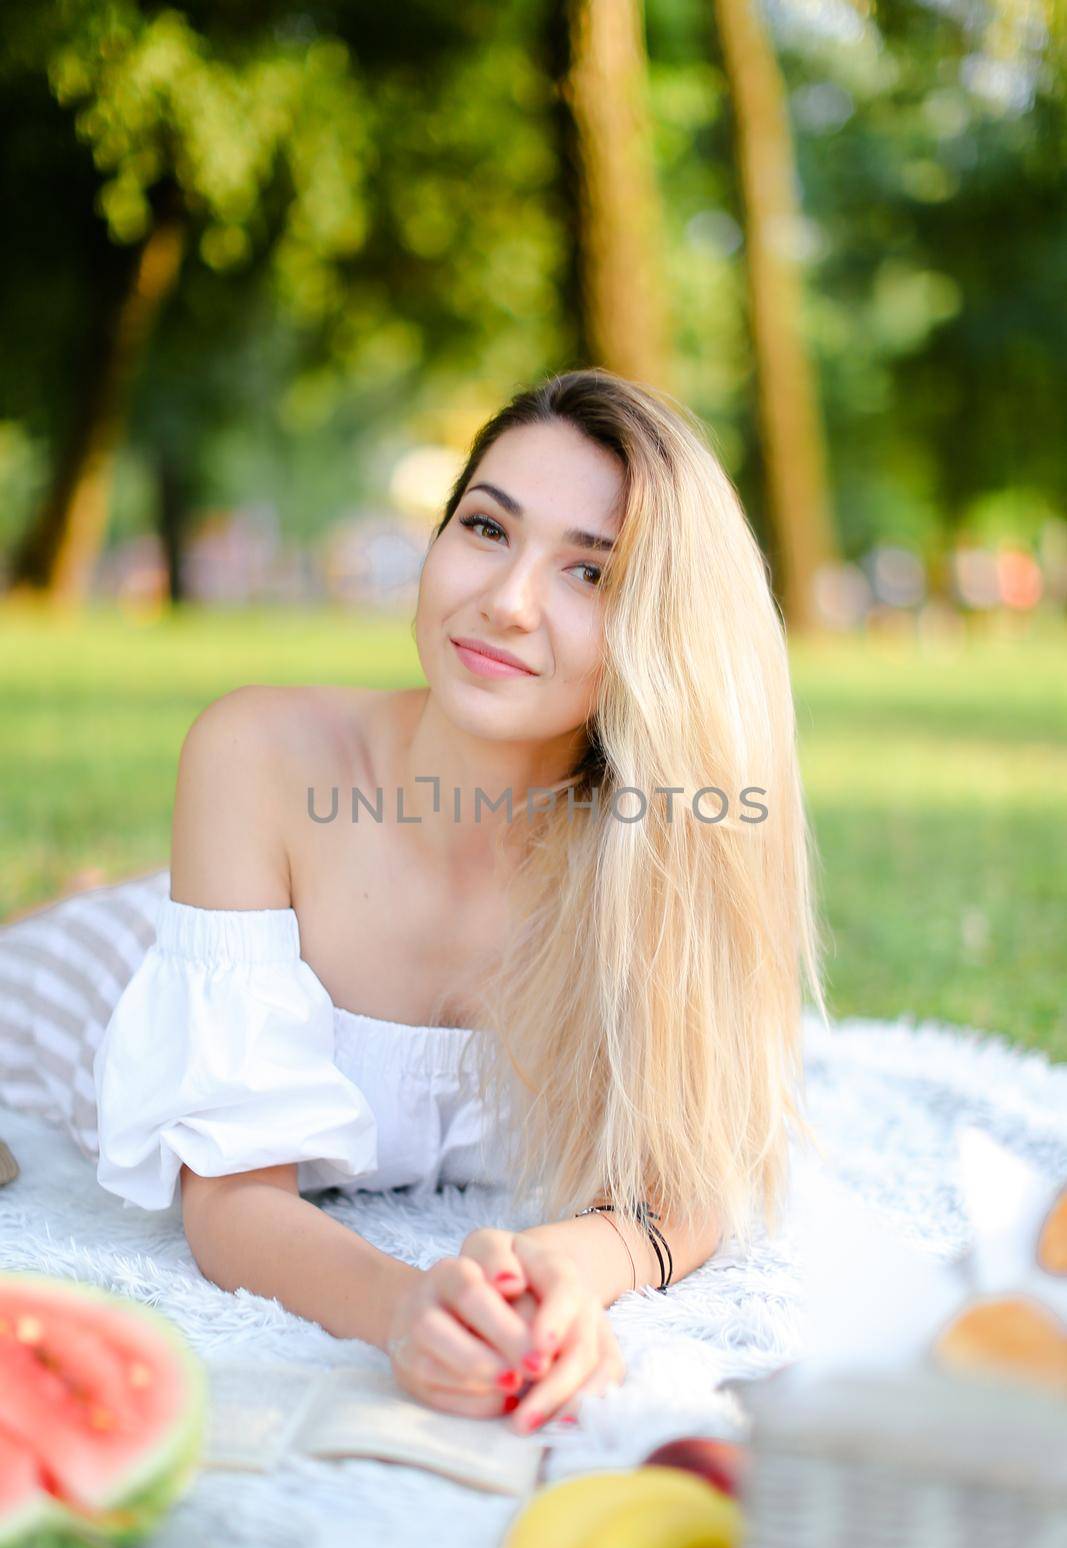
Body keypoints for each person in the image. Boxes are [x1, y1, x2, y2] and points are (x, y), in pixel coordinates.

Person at [1, 368, 829, 1436]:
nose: (508, 599)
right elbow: (234, 1198)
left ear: (661, 634)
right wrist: (406, 1306)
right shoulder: (259, 751)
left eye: (590, 571)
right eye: (487, 528)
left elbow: (680, 1180)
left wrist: (554, 1271)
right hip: (99, 979)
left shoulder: (658, 850)